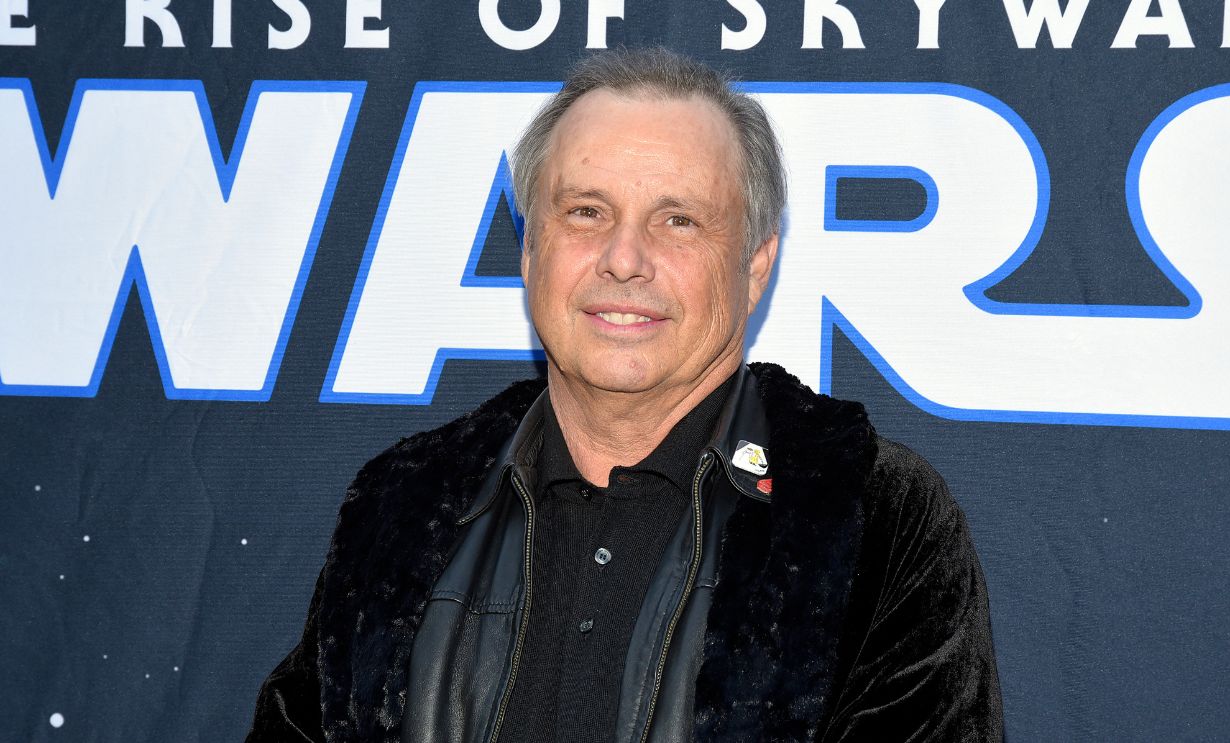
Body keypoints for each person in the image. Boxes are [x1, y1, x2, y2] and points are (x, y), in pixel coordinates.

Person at [247, 47, 1002, 742]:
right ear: (530, 248)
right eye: (585, 211)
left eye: (678, 220)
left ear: (756, 266)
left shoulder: (871, 516)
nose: (623, 259)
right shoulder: (403, 505)